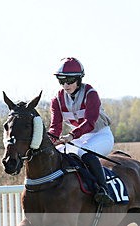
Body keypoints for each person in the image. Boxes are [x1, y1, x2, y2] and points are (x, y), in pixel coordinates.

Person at [48, 57, 115, 206]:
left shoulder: (91, 94)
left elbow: (90, 123)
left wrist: (71, 135)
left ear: (79, 79)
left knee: (85, 154)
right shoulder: (56, 100)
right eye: (61, 80)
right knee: (57, 153)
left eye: (69, 80)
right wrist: (51, 140)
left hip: (100, 135)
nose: (65, 85)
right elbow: (55, 127)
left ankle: (103, 191)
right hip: (78, 138)